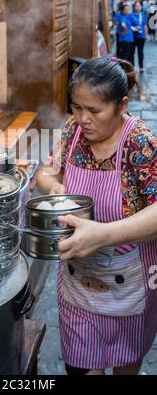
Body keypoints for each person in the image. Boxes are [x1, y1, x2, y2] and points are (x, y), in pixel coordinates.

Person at [37, 56, 157, 375]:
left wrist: (102, 235)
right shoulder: (72, 131)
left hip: (128, 286)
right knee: (80, 366)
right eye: (77, 107)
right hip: (77, 285)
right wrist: (55, 190)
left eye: (94, 110)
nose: (83, 118)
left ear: (121, 105)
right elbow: (46, 173)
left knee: (125, 362)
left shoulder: (140, 142)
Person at [130, 2, 148, 72]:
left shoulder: (143, 15)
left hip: (141, 36)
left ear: (141, 7)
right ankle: (132, 66)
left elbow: (145, 25)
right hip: (133, 36)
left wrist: (146, 35)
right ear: (134, 7)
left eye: (139, 6)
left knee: (140, 52)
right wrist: (133, 28)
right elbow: (128, 25)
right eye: (136, 6)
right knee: (132, 52)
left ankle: (141, 67)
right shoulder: (131, 15)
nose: (138, 7)